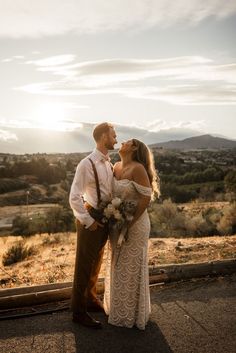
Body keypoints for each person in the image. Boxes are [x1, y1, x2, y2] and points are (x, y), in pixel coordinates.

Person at [104, 138, 160, 330]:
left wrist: (129, 222)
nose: (121, 143)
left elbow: (146, 197)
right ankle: (118, 309)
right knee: (117, 266)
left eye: (126, 142)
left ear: (134, 148)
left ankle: (132, 314)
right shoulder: (116, 166)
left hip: (135, 224)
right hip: (117, 222)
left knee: (131, 267)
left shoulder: (137, 168)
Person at [69, 122, 117, 329]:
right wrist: (88, 221)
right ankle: (78, 312)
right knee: (83, 266)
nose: (116, 139)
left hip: (104, 218)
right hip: (90, 218)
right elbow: (74, 197)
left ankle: (90, 298)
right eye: (113, 135)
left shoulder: (108, 163)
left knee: (96, 263)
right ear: (103, 137)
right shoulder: (86, 164)